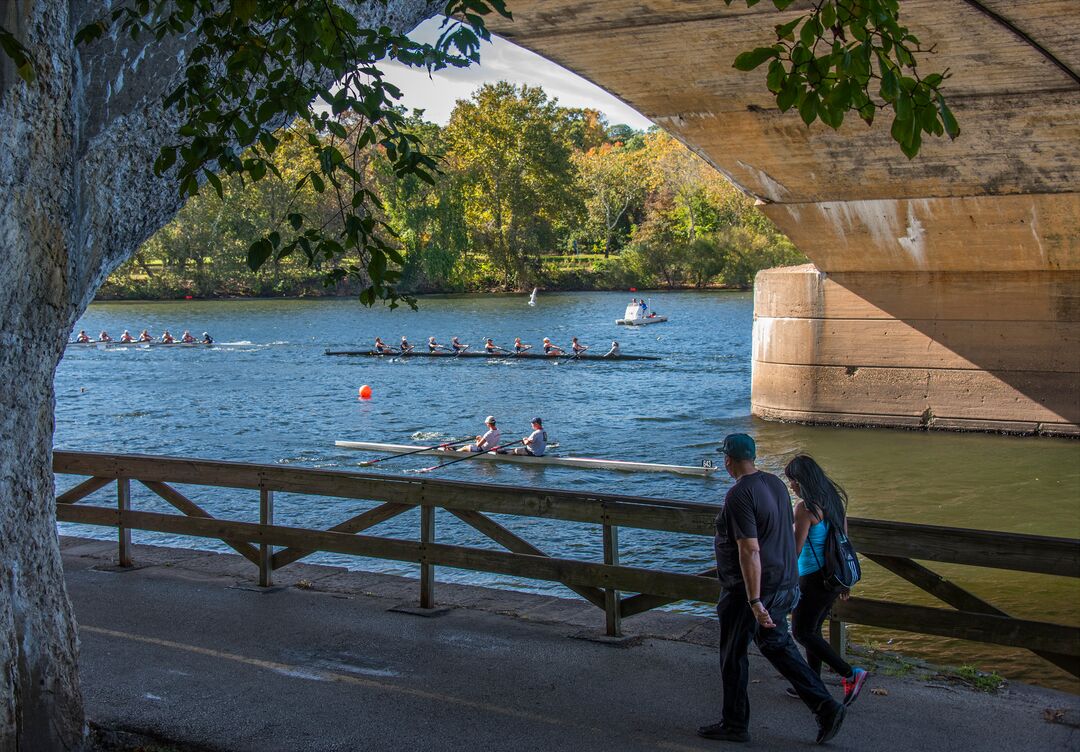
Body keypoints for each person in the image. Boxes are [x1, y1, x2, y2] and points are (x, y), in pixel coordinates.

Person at [698, 433, 846, 745]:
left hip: (750, 590)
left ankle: (735, 724)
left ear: (728, 460)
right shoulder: (775, 485)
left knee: (733, 655)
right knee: (778, 646)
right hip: (784, 583)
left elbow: (750, 550)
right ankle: (827, 708)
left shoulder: (738, 495)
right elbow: (778, 534)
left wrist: (753, 600)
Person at [785, 455, 868, 707]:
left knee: (801, 632)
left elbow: (796, 549)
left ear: (802, 481)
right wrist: (845, 583)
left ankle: (850, 674)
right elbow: (843, 542)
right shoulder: (835, 501)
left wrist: (782, 573)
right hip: (833, 577)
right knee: (813, 631)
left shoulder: (805, 508)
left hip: (811, 578)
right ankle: (813, 685)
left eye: (793, 481)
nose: (791, 486)